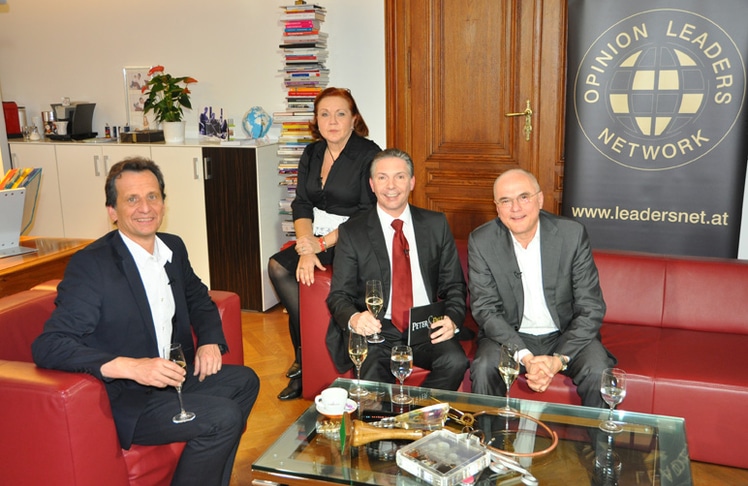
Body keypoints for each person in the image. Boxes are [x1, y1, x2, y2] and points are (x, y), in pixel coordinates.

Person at [32, 157, 260, 486]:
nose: (145, 208)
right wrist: (132, 367)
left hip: (173, 378)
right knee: (224, 417)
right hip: (131, 398)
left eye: (152, 196)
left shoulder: (172, 247)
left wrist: (210, 340)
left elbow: (199, 298)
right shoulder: (92, 266)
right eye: (132, 199)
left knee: (245, 381)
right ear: (112, 211)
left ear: (164, 203)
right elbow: (50, 345)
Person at [468, 168, 615, 408]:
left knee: (599, 372)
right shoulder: (482, 241)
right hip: (509, 336)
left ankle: (595, 435)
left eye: (524, 197)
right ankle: (487, 433)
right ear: (497, 207)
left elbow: (591, 307)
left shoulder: (571, 235)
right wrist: (525, 356)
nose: (515, 208)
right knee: (484, 367)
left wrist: (557, 360)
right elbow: (485, 309)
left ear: (540, 199)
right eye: (505, 201)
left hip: (565, 333)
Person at [269, 87, 381, 400]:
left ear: (354, 118)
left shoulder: (368, 154)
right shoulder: (312, 152)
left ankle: (308, 363)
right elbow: (302, 203)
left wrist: (320, 245)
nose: (332, 121)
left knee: (297, 275)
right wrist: (306, 245)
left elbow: (367, 213)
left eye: (340, 113)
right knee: (278, 267)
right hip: (315, 234)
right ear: (316, 120)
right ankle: (305, 357)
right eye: (325, 114)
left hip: (353, 237)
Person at [326, 148, 468, 390]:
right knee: (371, 377)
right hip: (378, 328)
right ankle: (388, 415)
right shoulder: (352, 232)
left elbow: (454, 285)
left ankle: (418, 412)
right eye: (382, 177)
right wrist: (355, 318)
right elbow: (339, 295)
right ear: (372, 184)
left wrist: (452, 319)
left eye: (399, 177)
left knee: (455, 361)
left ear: (411, 182)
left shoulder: (436, 224)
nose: (391, 186)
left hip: (426, 326)